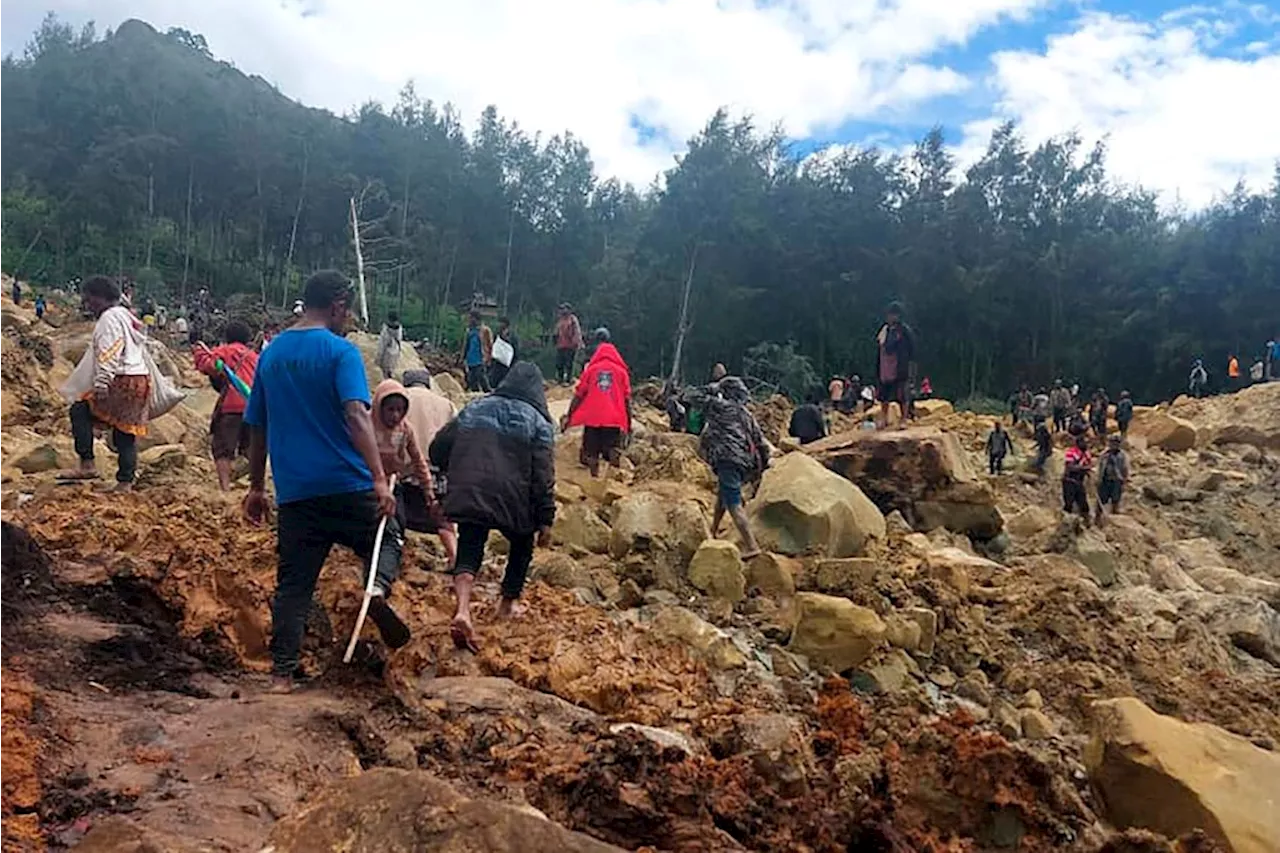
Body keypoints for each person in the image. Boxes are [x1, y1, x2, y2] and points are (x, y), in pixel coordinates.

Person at [243, 270, 410, 694]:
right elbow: (356, 414)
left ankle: (282, 675)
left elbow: (257, 427)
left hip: (297, 492)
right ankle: (374, 588)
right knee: (388, 536)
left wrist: (257, 487)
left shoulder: (272, 354)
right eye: (347, 309)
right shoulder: (341, 352)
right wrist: (378, 479)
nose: (348, 316)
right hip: (347, 483)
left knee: (294, 585)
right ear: (337, 304)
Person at [430, 362, 556, 654]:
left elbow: (438, 446)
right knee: (522, 545)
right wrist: (545, 518)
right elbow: (543, 473)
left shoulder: (475, 408)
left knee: (471, 544)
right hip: (514, 498)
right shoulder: (539, 422)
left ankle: (462, 609)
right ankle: (507, 604)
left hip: (471, 489)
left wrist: (450, 473)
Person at [58, 276, 151, 490]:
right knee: (125, 432)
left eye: (91, 300)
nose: (88, 304)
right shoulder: (128, 316)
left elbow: (111, 349)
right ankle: (125, 482)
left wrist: (102, 381)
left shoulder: (109, 319)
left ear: (102, 297)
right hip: (139, 379)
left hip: (121, 379)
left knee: (80, 410)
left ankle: (87, 464)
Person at [699, 376, 768, 558]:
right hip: (744, 462)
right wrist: (763, 467)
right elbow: (761, 443)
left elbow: (690, 396)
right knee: (723, 496)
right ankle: (712, 531)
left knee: (734, 505)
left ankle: (752, 545)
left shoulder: (718, 407)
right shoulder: (746, 414)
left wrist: (712, 389)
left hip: (727, 459)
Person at [401, 369, 459, 567]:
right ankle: (455, 560)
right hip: (438, 474)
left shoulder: (401, 398)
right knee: (445, 523)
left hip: (407, 472)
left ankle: (394, 557)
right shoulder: (446, 404)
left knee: (396, 518)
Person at [193, 319, 259, 492]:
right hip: (253, 406)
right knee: (250, 447)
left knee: (223, 449)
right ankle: (252, 485)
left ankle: (225, 488)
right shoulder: (254, 356)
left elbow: (207, 366)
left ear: (227, 337)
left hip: (231, 405)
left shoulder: (224, 351)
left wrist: (199, 353)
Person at [564, 328, 632, 478]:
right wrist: (629, 423)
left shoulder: (591, 370)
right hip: (613, 419)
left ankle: (594, 479)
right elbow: (627, 399)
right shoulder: (621, 372)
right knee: (612, 450)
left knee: (590, 453)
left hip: (592, 418)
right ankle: (613, 482)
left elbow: (579, 395)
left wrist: (570, 415)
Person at [874, 302, 916, 429]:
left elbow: (912, 349)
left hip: (899, 366)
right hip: (885, 367)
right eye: (890, 315)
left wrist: (911, 366)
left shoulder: (904, 331)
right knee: (883, 395)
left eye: (894, 315)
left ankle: (903, 419)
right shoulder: (884, 330)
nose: (891, 317)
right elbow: (880, 348)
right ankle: (884, 418)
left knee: (902, 395)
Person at [1095, 434, 1130, 524]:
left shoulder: (1122, 455)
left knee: (1115, 499)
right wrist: (1098, 479)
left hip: (1116, 480)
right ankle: (1097, 519)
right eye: (1112, 443)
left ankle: (1114, 519)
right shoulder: (1104, 454)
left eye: (1116, 443)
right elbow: (1100, 466)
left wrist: (1125, 480)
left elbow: (1125, 468)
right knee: (1101, 500)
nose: (1113, 445)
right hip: (1105, 479)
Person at [1062, 435, 1093, 523]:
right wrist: (1083, 468)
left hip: (1079, 481)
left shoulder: (1087, 454)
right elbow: (1069, 467)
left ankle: (1086, 523)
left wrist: (1087, 470)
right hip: (1069, 481)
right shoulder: (1071, 452)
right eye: (1084, 442)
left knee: (1083, 504)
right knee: (1069, 504)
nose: (1086, 444)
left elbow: (1089, 465)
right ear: (1078, 443)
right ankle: (1065, 522)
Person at [461, 310, 493, 392]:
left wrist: (489, 358)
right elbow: (466, 345)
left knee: (481, 377)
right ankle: (476, 393)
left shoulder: (485, 330)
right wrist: (462, 357)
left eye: (471, 318)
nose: (470, 320)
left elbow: (489, 345)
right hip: (470, 359)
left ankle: (488, 392)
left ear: (476, 319)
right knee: (472, 379)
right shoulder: (469, 331)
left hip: (480, 359)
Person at [554, 302, 583, 385]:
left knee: (569, 363)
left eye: (565, 309)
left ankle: (568, 380)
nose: (563, 310)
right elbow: (557, 331)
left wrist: (577, 343)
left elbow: (577, 332)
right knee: (559, 363)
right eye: (562, 309)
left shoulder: (573, 320)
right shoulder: (560, 320)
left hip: (570, 345)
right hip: (561, 345)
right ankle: (560, 379)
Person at [489, 316, 519, 388]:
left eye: (501, 323)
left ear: (506, 324)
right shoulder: (497, 335)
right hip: (497, 365)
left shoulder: (512, 336)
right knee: (494, 383)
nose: (499, 325)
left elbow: (515, 351)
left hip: (508, 366)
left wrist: (514, 364)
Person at [376, 312, 403, 380]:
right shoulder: (399, 328)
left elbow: (382, 344)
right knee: (391, 370)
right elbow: (399, 340)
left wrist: (378, 358)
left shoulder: (386, 329)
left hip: (386, 352)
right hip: (395, 349)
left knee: (385, 372)